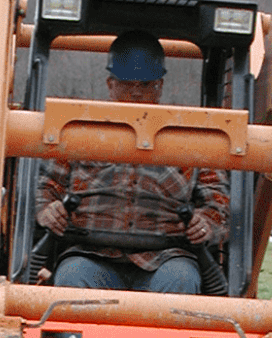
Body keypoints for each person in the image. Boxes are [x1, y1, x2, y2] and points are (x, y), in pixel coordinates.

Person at [35, 30, 229, 294]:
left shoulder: (189, 138)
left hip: (167, 258)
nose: (136, 93)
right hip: (92, 254)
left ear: (159, 86)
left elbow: (217, 201)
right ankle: (73, 337)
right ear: (110, 84)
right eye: (127, 83)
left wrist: (205, 223)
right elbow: (48, 188)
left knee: (181, 281)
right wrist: (49, 211)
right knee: (72, 277)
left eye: (145, 85)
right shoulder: (79, 132)